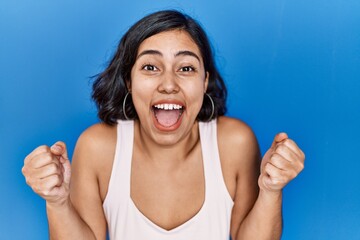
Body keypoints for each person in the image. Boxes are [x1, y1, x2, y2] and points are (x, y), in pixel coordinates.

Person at [22, 10, 305, 240]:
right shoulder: (98, 147)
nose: (168, 85)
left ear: (204, 81)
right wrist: (57, 201)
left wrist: (271, 190)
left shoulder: (234, 142)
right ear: (129, 80)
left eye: (186, 68)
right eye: (150, 67)